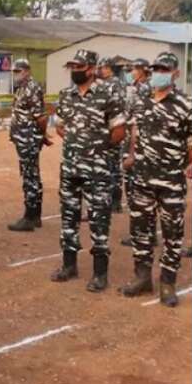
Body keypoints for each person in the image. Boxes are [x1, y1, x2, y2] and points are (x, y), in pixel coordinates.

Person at [119, 52, 192, 307]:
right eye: (156, 68)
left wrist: (185, 164)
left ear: (175, 74)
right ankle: (142, 277)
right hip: (142, 180)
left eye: (164, 69)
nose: (158, 72)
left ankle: (168, 283)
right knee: (141, 231)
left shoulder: (186, 104)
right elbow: (135, 132)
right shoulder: (141, 101)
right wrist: (132, 156)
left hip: (171, 182)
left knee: (172, 234)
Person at [50, 49, 126, 292]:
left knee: (99, 220)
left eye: (79, 67)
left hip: (98, 171)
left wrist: (96, 149)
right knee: (69, 218)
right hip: (70, 168)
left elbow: (119, 131)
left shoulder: (107, 95)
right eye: (72, 66)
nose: (74, 71)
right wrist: (76, 142)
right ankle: (69, 265)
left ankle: (99, 273)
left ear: (91, 69)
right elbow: (60, 126)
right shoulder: (66, 96)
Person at [7, 58, 52, 231]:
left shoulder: (32, 88)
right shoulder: (22, 88)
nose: (15, 75)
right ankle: (35, 216)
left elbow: (41, 117)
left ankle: (30, 217)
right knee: (31, 176)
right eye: (14, 72)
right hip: (24, 138)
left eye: (18, 71)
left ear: (27, 71)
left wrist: (41, 135)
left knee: (30, 178)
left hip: (29, 139)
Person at [119, 59, 156, 247]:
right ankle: (143, 232)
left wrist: (132, 154)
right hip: (132, 143)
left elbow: (137, 124)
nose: (130, 72)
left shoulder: (143, 89)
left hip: (138, 146)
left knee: (137, 190)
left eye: (133, 69)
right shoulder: (136, 87)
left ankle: (142, 234)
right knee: (136, 190)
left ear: (142, 70)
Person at [97, 57, 126, 214]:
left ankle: (112, 200)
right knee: (114, 165)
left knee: (109, 166)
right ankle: (115, 201)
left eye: (103, 67)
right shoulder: (120, 83)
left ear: (109, 68)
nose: (101, 70)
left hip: (110, 128)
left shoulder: (110, 84)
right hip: (117, 125)